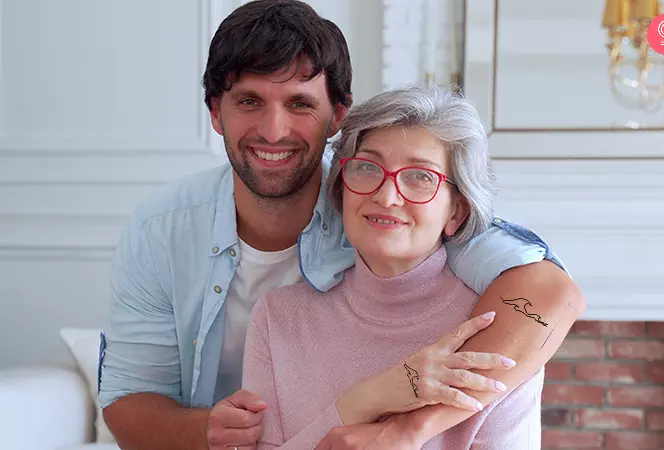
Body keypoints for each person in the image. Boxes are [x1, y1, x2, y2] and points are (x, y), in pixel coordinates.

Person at [98, 1, 585, 449]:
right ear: (215, 114)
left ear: (337, 116)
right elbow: (127, 401)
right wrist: (209, 429)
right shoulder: (163, 233)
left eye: (299, 104)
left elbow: (550, 292)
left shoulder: (383, 208)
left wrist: (409, 426)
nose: (273, 131)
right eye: (248, 101)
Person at [242, 84, 545, 450]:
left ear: (456, 211)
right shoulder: (278, 318)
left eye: (421, 177)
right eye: (368, 167)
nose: (386, 196)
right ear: (342, 189)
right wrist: (364, 400)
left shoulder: (497, 338)